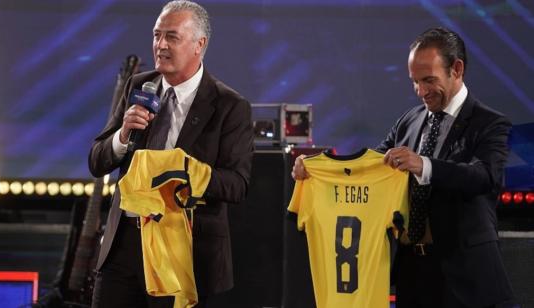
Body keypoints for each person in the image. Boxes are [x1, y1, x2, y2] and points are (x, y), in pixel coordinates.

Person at [292, 27, 514, 307]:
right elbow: (371, 166)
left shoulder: (490, 124)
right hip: (413, 274)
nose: (420, 91)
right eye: (414, 81)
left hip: (467, 278)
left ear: (456, 69)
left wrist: (423, 165)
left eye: (428, 80)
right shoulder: (409, 120)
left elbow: (485, 177)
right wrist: (317, 168)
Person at [88, 1, 254, 307]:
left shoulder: (229, 105)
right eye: (156, 35)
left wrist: (185, 173)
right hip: (124, 244)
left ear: (199, 45)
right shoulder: (139, 86)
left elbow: (237, 184)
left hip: (183, 252)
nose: (160, 45)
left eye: (172, 37)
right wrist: (123, 136)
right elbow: (97, 160)